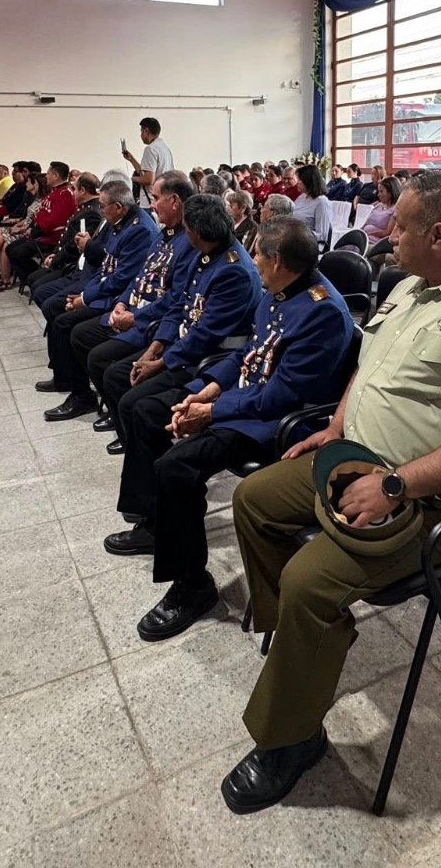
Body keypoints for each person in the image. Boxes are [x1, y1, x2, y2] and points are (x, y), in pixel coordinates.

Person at [220, 172, 441, 813]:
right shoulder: (409, 291)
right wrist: (335, 429)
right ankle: (296, 640)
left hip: (437, 498)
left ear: (438, 233)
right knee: (254, 499)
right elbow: (369, 371)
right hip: (359, 460)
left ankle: (291, 737)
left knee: (311, 583)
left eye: (398, 224)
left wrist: (396, 484)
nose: (385, 232)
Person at [109, 217, 356, 642]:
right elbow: (249, 351)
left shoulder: (323, 311)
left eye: (258, 252)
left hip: (274, 422)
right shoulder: (280, 290)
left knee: (177, 466)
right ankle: (155, 523)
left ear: (278, 260)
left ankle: (192, 587)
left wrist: (212, 411)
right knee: (149, 414)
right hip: (245, 396)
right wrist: (207, 390)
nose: (252, 258)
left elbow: (282, 395)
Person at [96, 193, 262, 466]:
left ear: (197, 233)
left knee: (135, 406)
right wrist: (153, 349)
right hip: (182, 346)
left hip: (204, 359)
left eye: (187, 230)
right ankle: (141, 450)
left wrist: (160, 363)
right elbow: (180, 305)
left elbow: (205, 336)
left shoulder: (234, 270)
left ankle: (156, 466)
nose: (184, 235)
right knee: (116, 375)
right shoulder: (206, 255)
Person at [42, 173, 194, 422]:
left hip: (150, 320)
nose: (152, 204)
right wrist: (123, 302)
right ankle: (93, 399)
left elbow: (174, 297)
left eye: (156, 198)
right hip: (130, 306)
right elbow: (138, 276)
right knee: (75, 331)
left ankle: (116, 412)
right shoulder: (163, 234)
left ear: (175, 201)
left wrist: (132, 316)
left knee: (92, 349)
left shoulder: (180, 238)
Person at [0, 162, 77, 291]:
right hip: (40, 233)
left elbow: (54, 220)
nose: (46, 176)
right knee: (11, 248)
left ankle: (37, 279)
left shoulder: (65, 194)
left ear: (56, 175)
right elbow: (41, 215)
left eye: (49, 173)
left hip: (51, 237)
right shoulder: (55, 192)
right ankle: (32, 279)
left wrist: (34, 231)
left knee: (17, 252)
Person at [27, 174, 103, 299]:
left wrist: (56, 259)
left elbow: (75, 245)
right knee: (33, 280)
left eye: (74, 189)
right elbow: (67, 237)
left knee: (39, 288)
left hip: (71, 263)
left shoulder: (92, 213)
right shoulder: (85, 208)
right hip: (64, 258)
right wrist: (55, 253)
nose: (72, 192)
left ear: (83, 191)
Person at [123, 117, 174, 201]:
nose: (140, 135)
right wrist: (131, 159)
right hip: (162, 196)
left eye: (141, 131)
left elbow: (148, 179)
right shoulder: (164, 148)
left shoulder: (150, 149)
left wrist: (130, 179)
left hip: (149, 200)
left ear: (146, 131)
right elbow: (146, 172)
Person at [290, 164, 333, 251]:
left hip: (310, 245)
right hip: (296, 240)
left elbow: (322, 235)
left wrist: (299, 234)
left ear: (308, 181)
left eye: (300, 180)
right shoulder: (302, 197)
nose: (297, 182)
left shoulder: (321, 202)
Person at [360, 177, 400, 244]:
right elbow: (365, 221)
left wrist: (367, 234)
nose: (378, 195)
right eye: (378, 191)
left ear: (390, 193)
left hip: (377, 241)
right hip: (366, 236)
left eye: (381, 192)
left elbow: (388, 232)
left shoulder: (395, 210)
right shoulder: (378, 205)